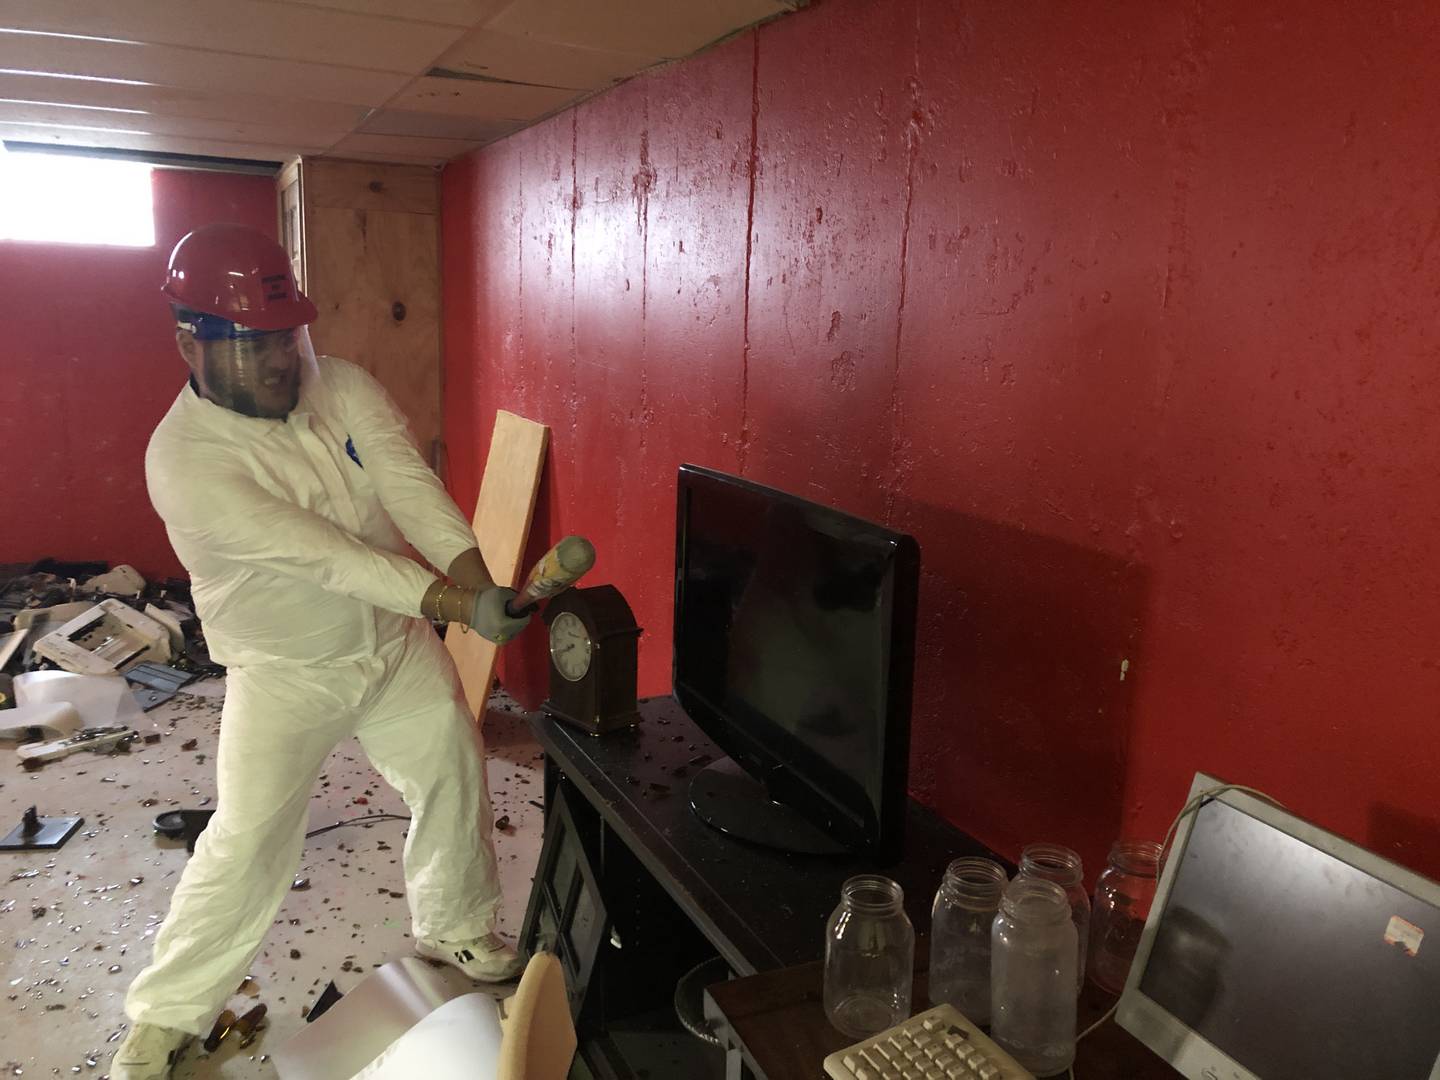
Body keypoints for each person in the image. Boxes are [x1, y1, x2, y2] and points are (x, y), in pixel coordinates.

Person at [111, 223, 531, 1080]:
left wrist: (473, 572)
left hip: (393, 646)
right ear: (190, 342)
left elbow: (405, 481)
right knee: (250, 840)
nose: (279, 363)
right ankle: (165, 1019)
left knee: (453, 765)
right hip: (286, 673)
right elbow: (324, 557)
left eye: (285, 338)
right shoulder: (184, 460)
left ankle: (458, 925)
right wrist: (455, 603)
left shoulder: (336, 383)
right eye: (252, 345)